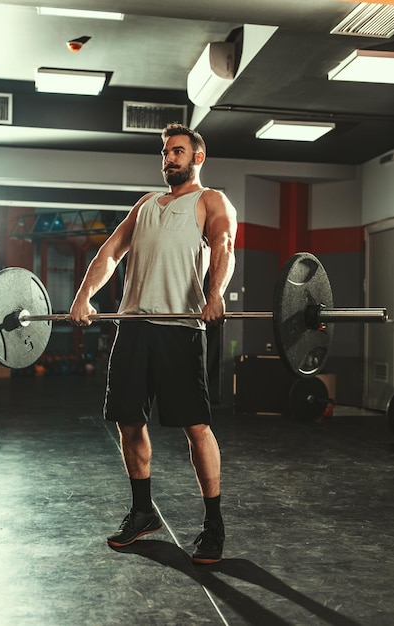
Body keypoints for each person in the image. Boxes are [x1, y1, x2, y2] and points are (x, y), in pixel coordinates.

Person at [70, 123, 237, 564]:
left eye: (178, 152)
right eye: (165, 153)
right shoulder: (145, 204)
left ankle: (213, 523)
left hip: (180, 328)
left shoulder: (211, 200)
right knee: (128, 419)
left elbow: (223, 244)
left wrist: (216, 293)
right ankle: (143, 511)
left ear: (197, 158)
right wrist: (84, 295)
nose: (169, 159)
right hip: (133, 327)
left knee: (195, 427)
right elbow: (109, 253)